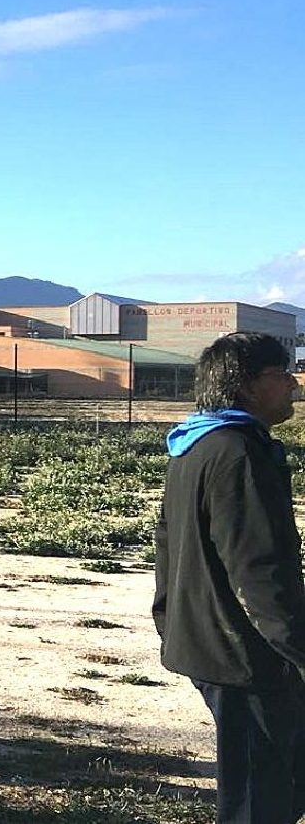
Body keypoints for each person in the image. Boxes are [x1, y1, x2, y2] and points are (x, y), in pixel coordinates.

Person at [154, 331, 304, 823]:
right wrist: (297, 650)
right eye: (281, 375)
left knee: (259, 785)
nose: (293, 385)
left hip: (208, 642)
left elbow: (166, 545)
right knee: (262, 797)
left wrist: (168, 618)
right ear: (245, 384)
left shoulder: (195, 445)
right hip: (246, 656)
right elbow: (258, 568)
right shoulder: (239, 453)